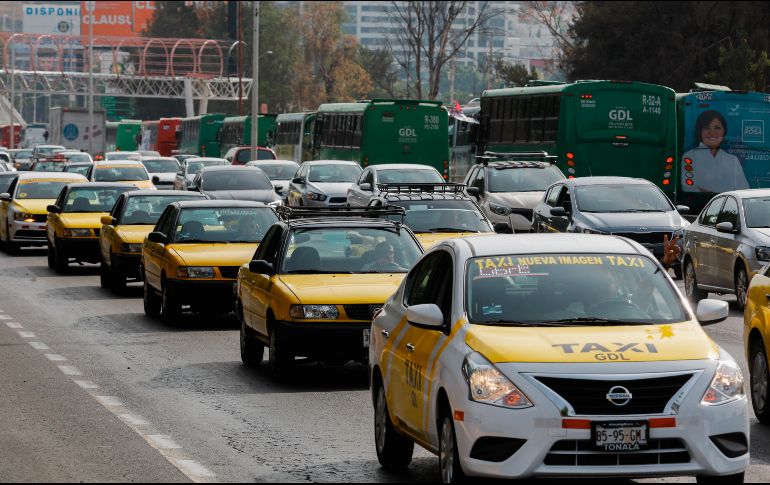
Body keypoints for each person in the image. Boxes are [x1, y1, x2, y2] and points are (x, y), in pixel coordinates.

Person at [682, 110, 749, 193]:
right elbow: (688, 188)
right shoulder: (689, 156)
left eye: (717, 128)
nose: (712, 132)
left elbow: (744, 190)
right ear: (700, 131)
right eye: (707, 128)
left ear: (724, 131)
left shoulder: (732, 160)